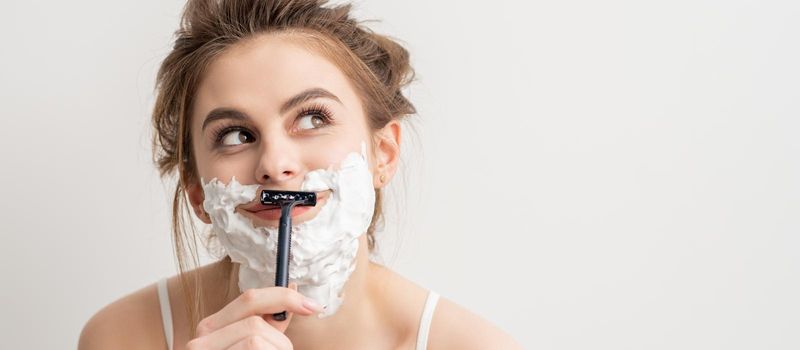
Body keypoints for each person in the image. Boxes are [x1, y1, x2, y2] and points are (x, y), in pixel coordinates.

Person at [79, 0, 522, 349]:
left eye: (311, 119)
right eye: (235, 134)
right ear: (198, 194)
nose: (274, 163)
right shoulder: (121, 337)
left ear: (382, 154)